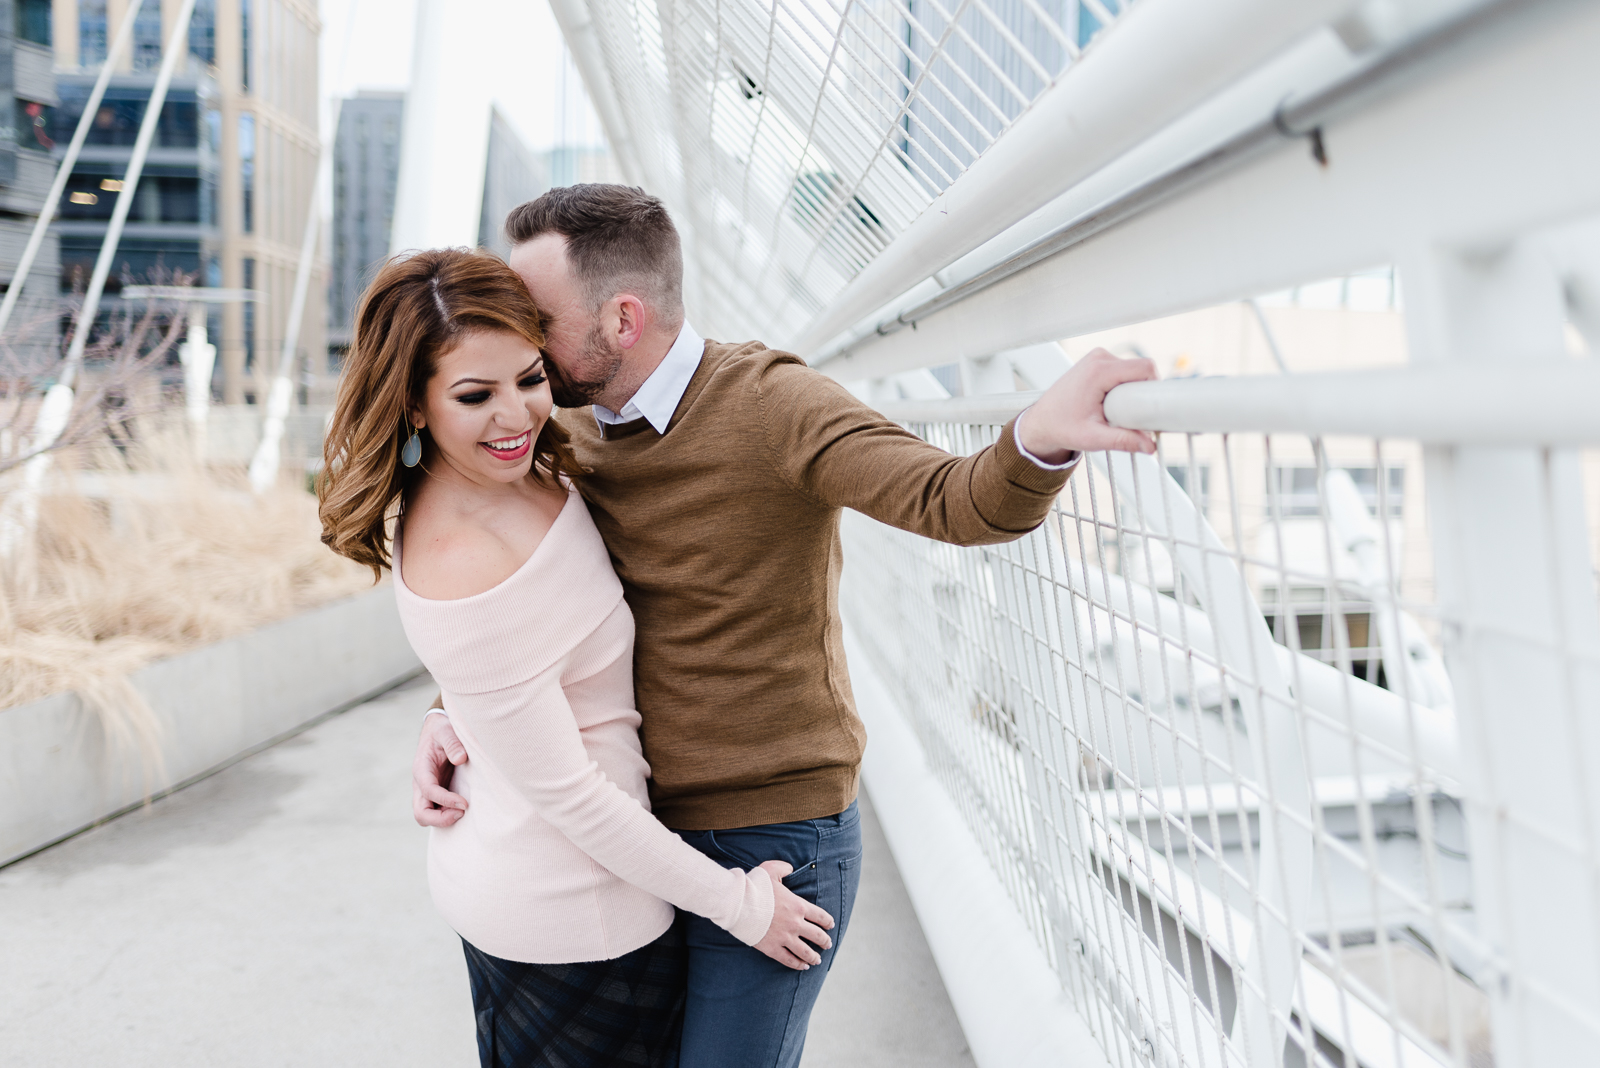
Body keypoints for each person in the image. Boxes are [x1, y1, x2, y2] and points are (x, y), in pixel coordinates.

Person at [414, 184, 1158, 1068]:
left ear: (622, 318)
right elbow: (526, 604)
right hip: (641, 835)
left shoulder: (775, 406)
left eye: (539, 321)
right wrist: (454, 708)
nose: (525, 350)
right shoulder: (560, 422)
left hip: (775, 834)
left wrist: (1040, 434)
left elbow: (953, 500)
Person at [318, 249, 836, 1068]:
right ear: (413, 403)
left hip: (557, 884)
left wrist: (450, 711)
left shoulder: (521, 473)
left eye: (529, 378)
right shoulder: (462, 554)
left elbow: (522, 659)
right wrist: (743, 907)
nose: (515, 416)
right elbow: (575, 798)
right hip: (572, 922)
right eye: (474, 396)